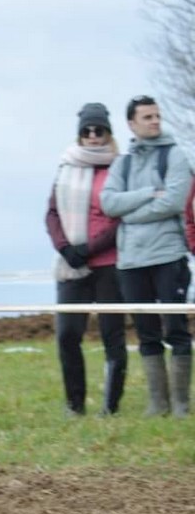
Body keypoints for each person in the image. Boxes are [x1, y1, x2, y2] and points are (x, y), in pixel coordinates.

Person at [101, 95, 193, 417]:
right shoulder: (122, 163)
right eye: (147, 117)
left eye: (157, 116)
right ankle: (158, 404)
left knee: (176, 329)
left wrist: (130, 213)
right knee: (145, 332)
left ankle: (181, 405)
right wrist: (148, 193)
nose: (154, 121)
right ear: (132, 124)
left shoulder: (175, 155)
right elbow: (109, 203)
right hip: (131, 261)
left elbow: (174, 201)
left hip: (168, 255)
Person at [45, 102, 126, 417]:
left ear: (108, 132)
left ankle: (110, 407)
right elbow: (52, 213)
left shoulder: (120, 167)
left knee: (112, 335)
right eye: (87, 131)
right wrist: (65, 248)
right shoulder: (66, 167)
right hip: (72, 265)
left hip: (109, 263)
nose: (93, 136)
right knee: (67, 335)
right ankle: (74, 404)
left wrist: (89, 249)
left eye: (99, 130)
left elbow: (120, 218)